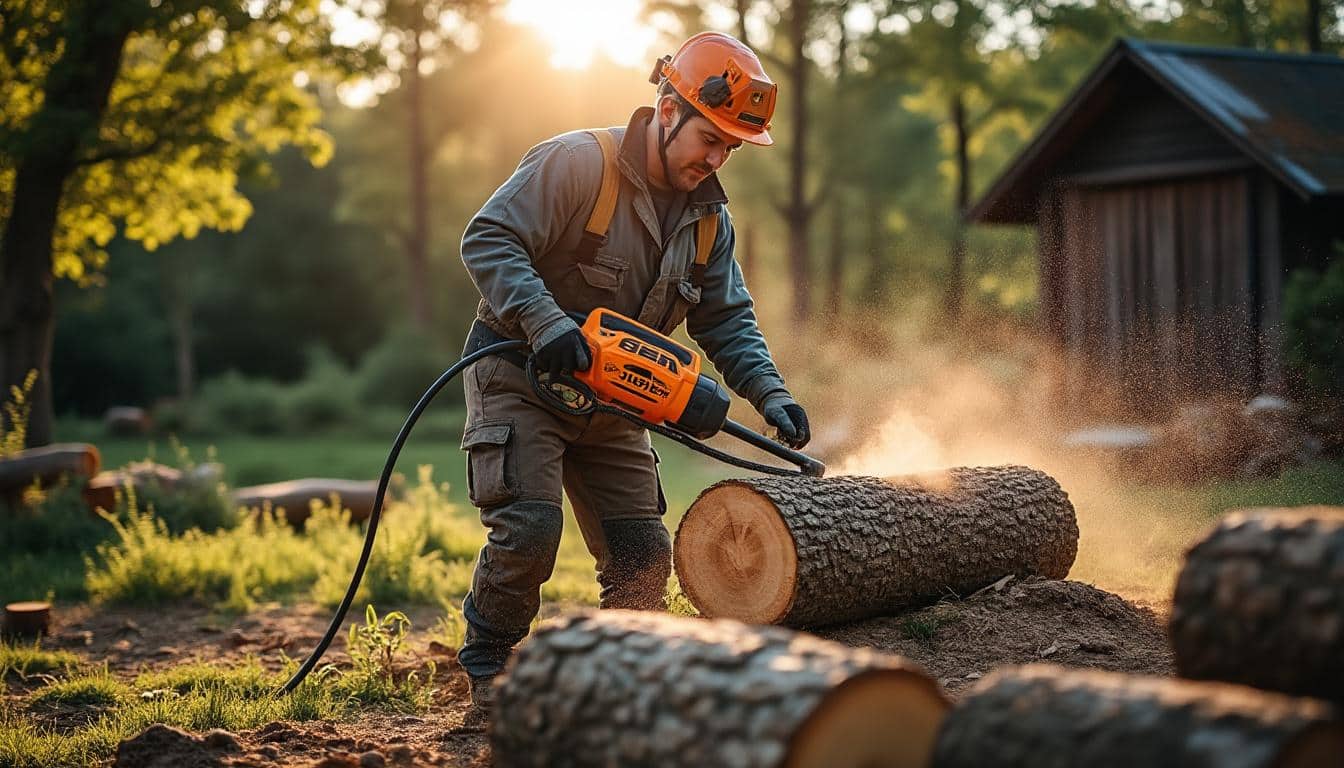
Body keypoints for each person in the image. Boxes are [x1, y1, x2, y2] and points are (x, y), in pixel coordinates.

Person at [456, 31, 810, 709]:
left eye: (731, 147)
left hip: (615, 397)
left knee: (642, 553)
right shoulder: (575, 163)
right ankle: (489, 665)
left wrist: (770, 393)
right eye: (711, 138)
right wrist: (546, 321)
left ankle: (622, 681)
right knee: (530, 529)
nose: (717, 158)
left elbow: (726, 318)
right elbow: (489, 236)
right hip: (519, 371)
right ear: (669, 108)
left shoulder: (709, 221)